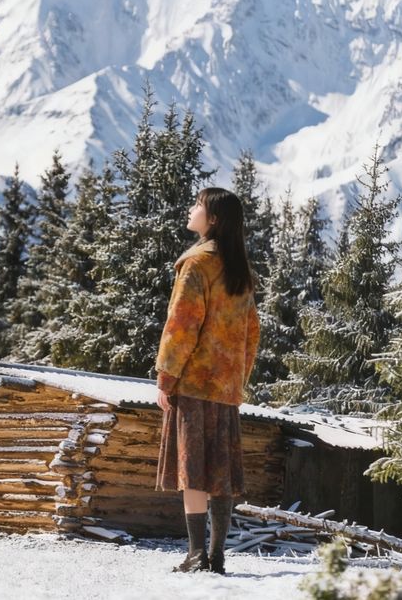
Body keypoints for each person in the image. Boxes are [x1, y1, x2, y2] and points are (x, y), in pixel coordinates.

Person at [154, 186, 261, 575]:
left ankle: (196, 555)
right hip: (226, 389)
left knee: (194, 471)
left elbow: (181, 326)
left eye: (198, 205)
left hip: (194, 384)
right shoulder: (240, 271)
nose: (191, 209)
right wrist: (237, 379)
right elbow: (252, 333)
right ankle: (217, 557)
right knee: (220, 474)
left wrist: (166, 377)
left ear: (213, 219)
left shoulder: (197, 264)